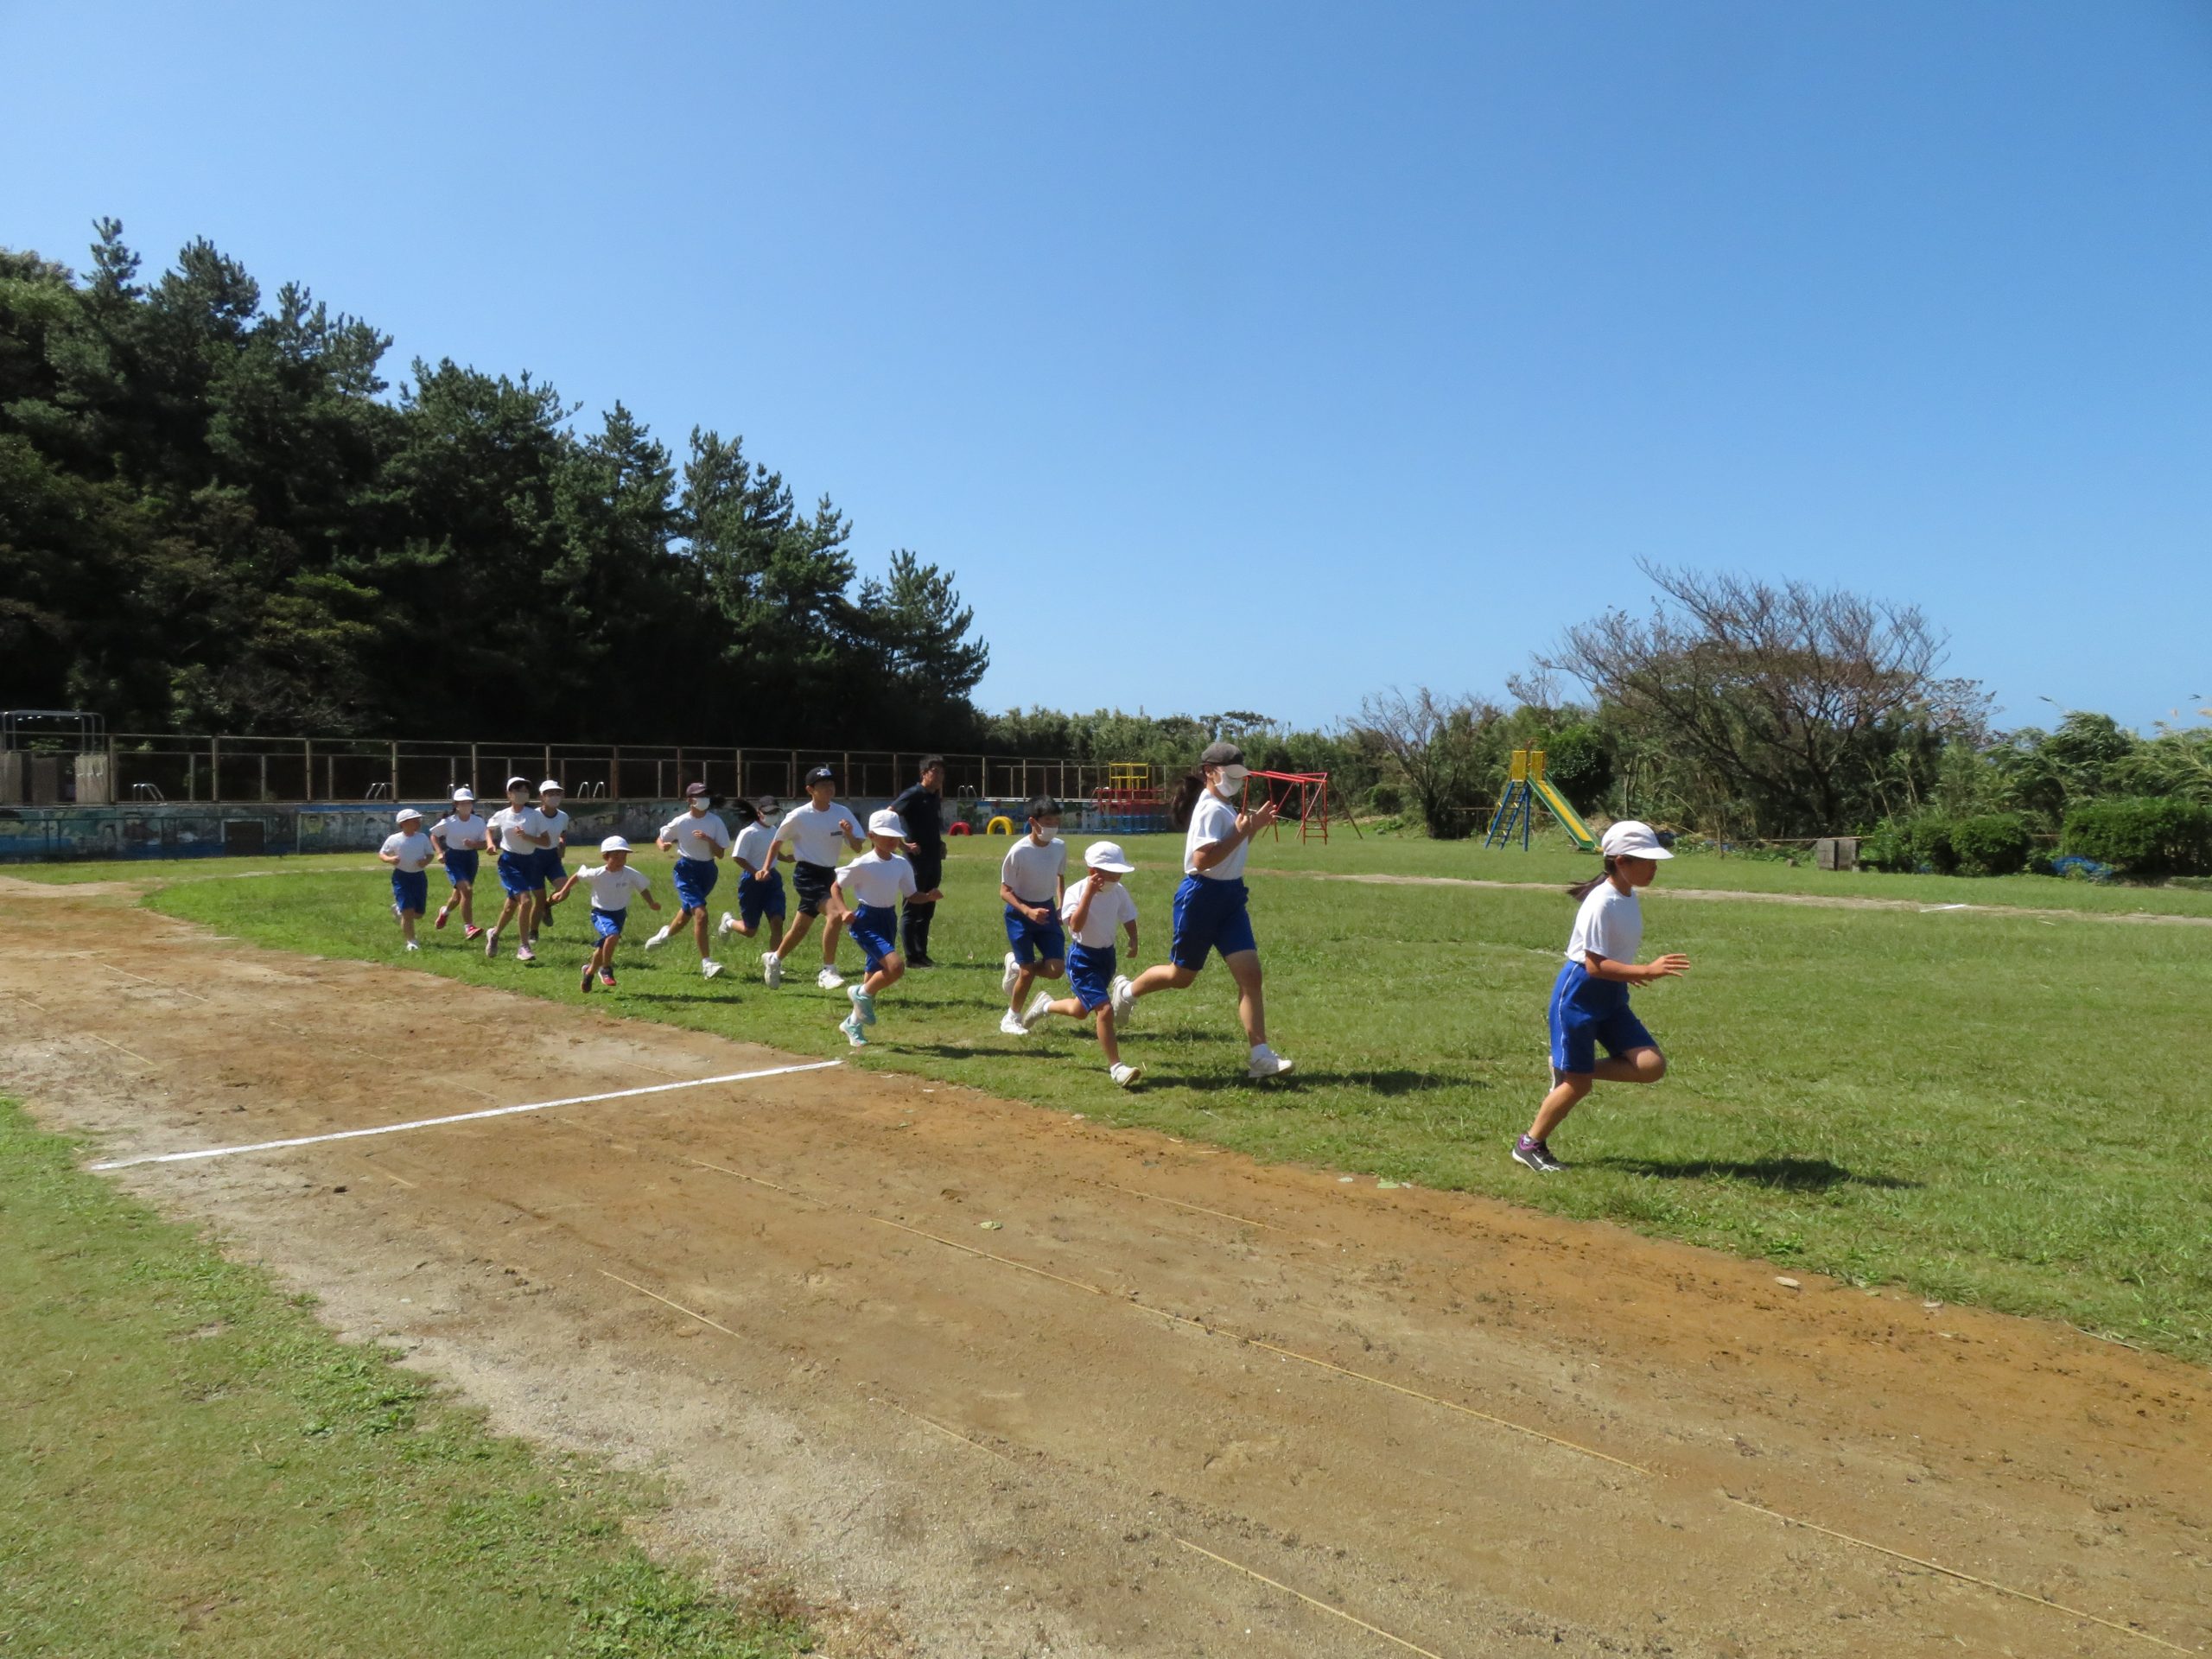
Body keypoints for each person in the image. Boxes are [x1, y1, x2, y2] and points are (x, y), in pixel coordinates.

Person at [1512, 819, 1688, 1174]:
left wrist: (1627, 973)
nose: (1655, 868)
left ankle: (1565, 1067)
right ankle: (1529, 1145)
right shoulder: (1601, 902)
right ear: (1622, 861)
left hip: (1611, 995)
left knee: (1650, 1067)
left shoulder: (1626, 894)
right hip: (1579, 997)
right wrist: (1645, 970)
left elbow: (1610, 958)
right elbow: (1592, 966)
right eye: (1647, 860)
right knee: (1578, 1086)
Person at [1114, 742, 1294, 1080]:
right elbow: (1203, 860)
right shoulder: (1209, 809)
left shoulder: (1225, 807)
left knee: (1251, 976)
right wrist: (1242, 831)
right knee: (1180, 977)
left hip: (1230, 898)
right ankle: (1127, 991)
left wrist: (1250, 829)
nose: (1238, 781)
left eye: (1242, 776)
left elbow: (1231, 850)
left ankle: (1260, 1056)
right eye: (1231, 775)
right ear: (1210, 772)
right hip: (1201, 897)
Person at [1025, 841, 1144, 1087]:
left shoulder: (1118, 891)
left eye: (1119, 872)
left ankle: (1045, 1006)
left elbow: (1128, 915)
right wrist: (1088, 895)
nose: (1117, 877)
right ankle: (1117, 1068)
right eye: (1112, 873)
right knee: (1105, 1010)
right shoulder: (1076, 892)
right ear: (1093, 872)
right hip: (1083, 960)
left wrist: (1133, 939)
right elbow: (1075, 926)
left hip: (1106, 958)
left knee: (1081, 1010)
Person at [828, 809, 942, 1047]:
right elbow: (835, 888)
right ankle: (858, 993)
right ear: (871, 835)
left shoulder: (901, 864)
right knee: (896, 967)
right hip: (865, 921)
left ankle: (852, 1024)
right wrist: (843, 911)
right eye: (886, 835)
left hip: (888, 919)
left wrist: (929, 897)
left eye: (895, 836)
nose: (892, 841)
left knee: (873, 980)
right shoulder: (863, 863)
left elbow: (912, 895)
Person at [768, 766, 867, 990]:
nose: (829, 788)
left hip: (829, 874)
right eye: (823, 785)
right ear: (810, 790)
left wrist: (849, 833)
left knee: (800, 928)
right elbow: (777, 841)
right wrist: (766, 867)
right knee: (835, 914)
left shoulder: (842, 812)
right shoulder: (799, 816)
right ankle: (827, 970)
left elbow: (858, 847)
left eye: (831, 784)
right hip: (806, 874)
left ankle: (774, 959)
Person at [998, 797, 1069, 1037]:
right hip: (1020, 914)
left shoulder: (1059, 846)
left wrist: (1061, 904)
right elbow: (1004, 891)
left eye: (1057, 821)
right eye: (1048, 821)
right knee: (1028, 972)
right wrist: (1027, 911)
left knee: (1056, 969)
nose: (1053, 826)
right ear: (1033, 822)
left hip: (1047, 911)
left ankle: (1015, 966)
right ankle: (1012, 1017)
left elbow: (1060, 876)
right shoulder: (1019, 851)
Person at [552, 836, 660, 994]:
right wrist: (563, 892)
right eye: (616, 856)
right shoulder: (598, 873)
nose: (620, 860)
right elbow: (577, 876)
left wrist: (651, 903)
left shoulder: (630, 874)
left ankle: (589, 973)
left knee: (604, 948)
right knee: (613, 936)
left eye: (623, 856)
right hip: (601, 914)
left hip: (619, 914)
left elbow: (643, 888)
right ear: (606, 857)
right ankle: (606, 969)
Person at [645, 783, 731, 979]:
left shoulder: (715, 821)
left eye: (706, 795)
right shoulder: (681, 821)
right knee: (700, 914)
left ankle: (664, 935)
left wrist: (709, 840)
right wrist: (663, 846)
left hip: (708, 871)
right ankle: (707, 963)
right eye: (700, 796)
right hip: (686, 870)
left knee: (687, 913)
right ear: (690, 800)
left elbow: (721, 854)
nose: (704, 799)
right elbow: (661, 838)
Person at [716, 796, 789, 984]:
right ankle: (729, 922)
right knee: (750, 931)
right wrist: (755, 872)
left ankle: (774, 963)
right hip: (752, 882)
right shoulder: (749, 832)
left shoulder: (774, 830)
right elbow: (738, 857)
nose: (772, 816)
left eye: (775, 812)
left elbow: (772, 852)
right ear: (759, 813)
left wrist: (786, 858)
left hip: (772, 879)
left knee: (777, 920)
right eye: (768, 812)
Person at [889, 755, 949, 966]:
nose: (940, 777)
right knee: (913, 905)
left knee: (928, 905)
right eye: (936, 772)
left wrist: (940, 843)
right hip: (916, 860)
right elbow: (888, 815)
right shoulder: (913, 794)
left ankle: (922, 954)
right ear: (924, 773)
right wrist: (903, 845)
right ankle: (911, 956)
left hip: (934, 858)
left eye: (942, 773)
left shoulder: (934, 796)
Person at [483, 776, 550, 962]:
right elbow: (489, 828)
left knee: (511, 906)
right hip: (509, 862)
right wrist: (490, 844)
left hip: (529, 861)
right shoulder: (502, 815)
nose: (522, 793)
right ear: (509, 794)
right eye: (517, 790)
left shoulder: (535, 815)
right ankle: (524, 946)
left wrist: (529, 837)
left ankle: (494, 934)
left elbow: (546, 841)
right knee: (526, 901)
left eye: (525, 790)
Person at [429, 787, 489, 940]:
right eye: (462, 803)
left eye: (468, 802)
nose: (466, 806)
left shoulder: (478, 822)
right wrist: (440, 852)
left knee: (459, 896)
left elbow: (485, 843)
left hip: (471, 858)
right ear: (456, 805)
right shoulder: (449, 822)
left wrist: (474, 844)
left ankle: (445, 912)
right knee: (467, 891)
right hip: (454, 858)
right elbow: (434, 836)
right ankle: (469, 927)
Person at [378, 808, 436, 952]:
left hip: (419, 877)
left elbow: (430, 854)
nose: (418, 823)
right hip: (401, 877)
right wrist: (390, 859)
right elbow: (382, 854)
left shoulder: (422, 837)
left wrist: (425, 861)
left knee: (418, 914)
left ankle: (398, 910)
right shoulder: (394, 839)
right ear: (403, 823)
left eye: (418, 820)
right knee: (408, 912)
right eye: (414, 820)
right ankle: (411, 941)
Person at [530, 779, 572, 944]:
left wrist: (562, 843)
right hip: (534, 858)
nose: (554, 796)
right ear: (542, 796)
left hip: (553, 858)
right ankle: (533, 932)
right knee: (538, 899)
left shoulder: (563, 816)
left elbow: (562, 833)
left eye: (557, 793)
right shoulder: (533, 816)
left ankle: (547, 906)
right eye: (550, 793)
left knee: (564, 890)